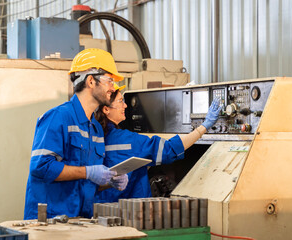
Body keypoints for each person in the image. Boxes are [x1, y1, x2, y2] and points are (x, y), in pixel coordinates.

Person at [24, 48, 129, 220]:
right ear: (91, 81)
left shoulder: (95, 128)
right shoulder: (58, 117)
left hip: (79, 221)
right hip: (48, 223)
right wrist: (88, 172)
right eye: (110, 81)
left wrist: (108, 181)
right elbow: (40, 167)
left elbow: (86, 181)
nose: (113, 87)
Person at [94, 84, 221, 202]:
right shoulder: (128, 140)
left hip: (99, 209)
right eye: (121, 101)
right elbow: (169, 149)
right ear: (106, 109)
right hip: (133, 212)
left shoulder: (93, 136)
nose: (126, 106)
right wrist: (204, 126)